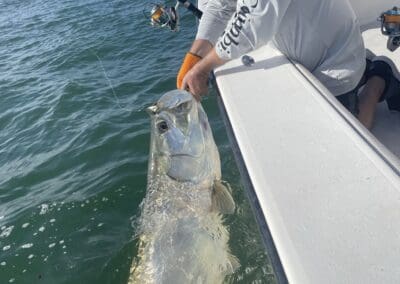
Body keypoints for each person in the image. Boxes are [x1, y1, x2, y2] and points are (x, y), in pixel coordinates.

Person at [176, 0, 399, 129]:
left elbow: (253, 24)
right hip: (302, 51)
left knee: (353, 132)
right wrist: (194, 57)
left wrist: (203, 68)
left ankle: (378, 79)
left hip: (336, 57)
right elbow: (220, 7)